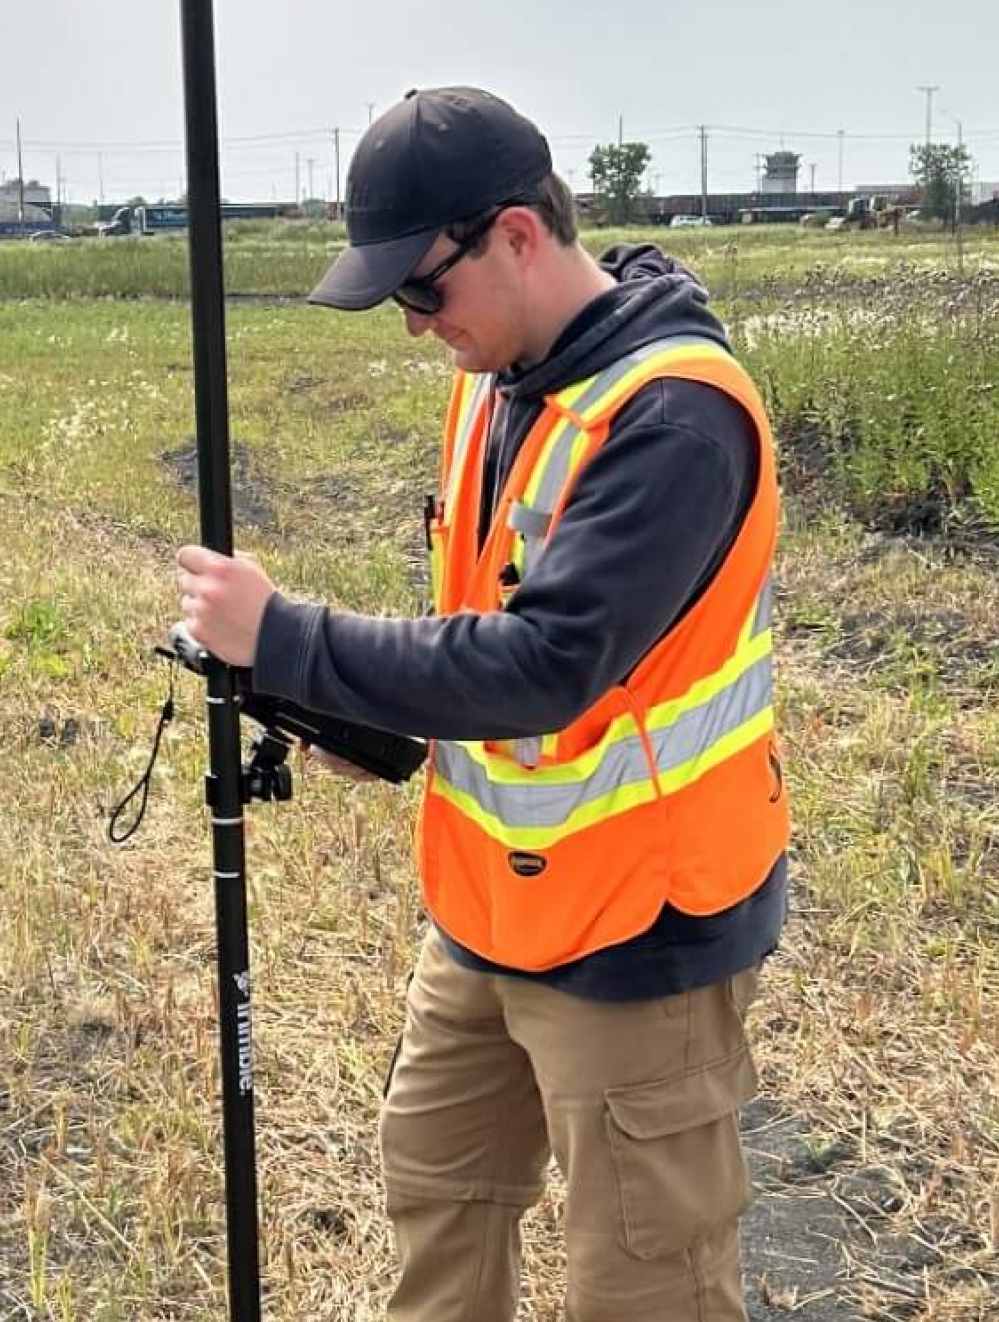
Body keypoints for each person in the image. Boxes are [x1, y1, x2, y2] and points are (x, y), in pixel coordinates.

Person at [174, 86, 789, 1320]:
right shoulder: (505, 376)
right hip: (488, 903)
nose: (413, 328)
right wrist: (360, 714)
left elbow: (545, 663)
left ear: (513, 234)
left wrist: (288, 637)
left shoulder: (672, 418)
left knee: (643, 1280)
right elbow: (477, 625)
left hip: (638, 927)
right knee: (439, 1200)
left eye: (422, 290)